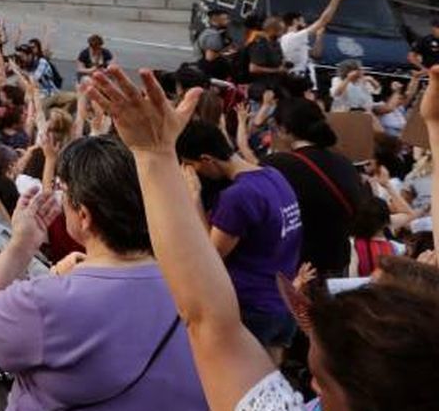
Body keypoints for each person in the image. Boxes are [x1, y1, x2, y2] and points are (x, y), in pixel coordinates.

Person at [82, 64, 439, 411]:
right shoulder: (272, 178)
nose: (311, 385)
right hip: (276, 305)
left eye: (321, 378)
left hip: (252, 306)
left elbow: (206, 296)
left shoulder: (244, 192)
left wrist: (154, 157)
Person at [0, 136, 208, 410]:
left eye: (62, 191)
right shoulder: (193, 290)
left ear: (85, 216)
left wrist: (21, 246)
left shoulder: (48, 301)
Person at [175, 119, 304, 361]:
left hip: (252, 306)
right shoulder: (274, 176)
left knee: (244, 386)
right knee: (271, 385)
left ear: (206, 160)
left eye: (191, 166)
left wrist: (194, 198)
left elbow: (210, 256)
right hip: (283, 303)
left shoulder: (237, 196)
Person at [262, 98, 367, 276]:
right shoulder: (344, 163)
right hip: (338, 261)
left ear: (285, 129)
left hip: (298, 266)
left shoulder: (278, 164)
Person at [196, 8, 237, 80]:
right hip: (212, 73)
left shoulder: (208, 32)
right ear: (215, 19)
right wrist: (228, 54)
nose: (228, 21)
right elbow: (210, 57)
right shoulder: (213, 35)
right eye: (226, 19)